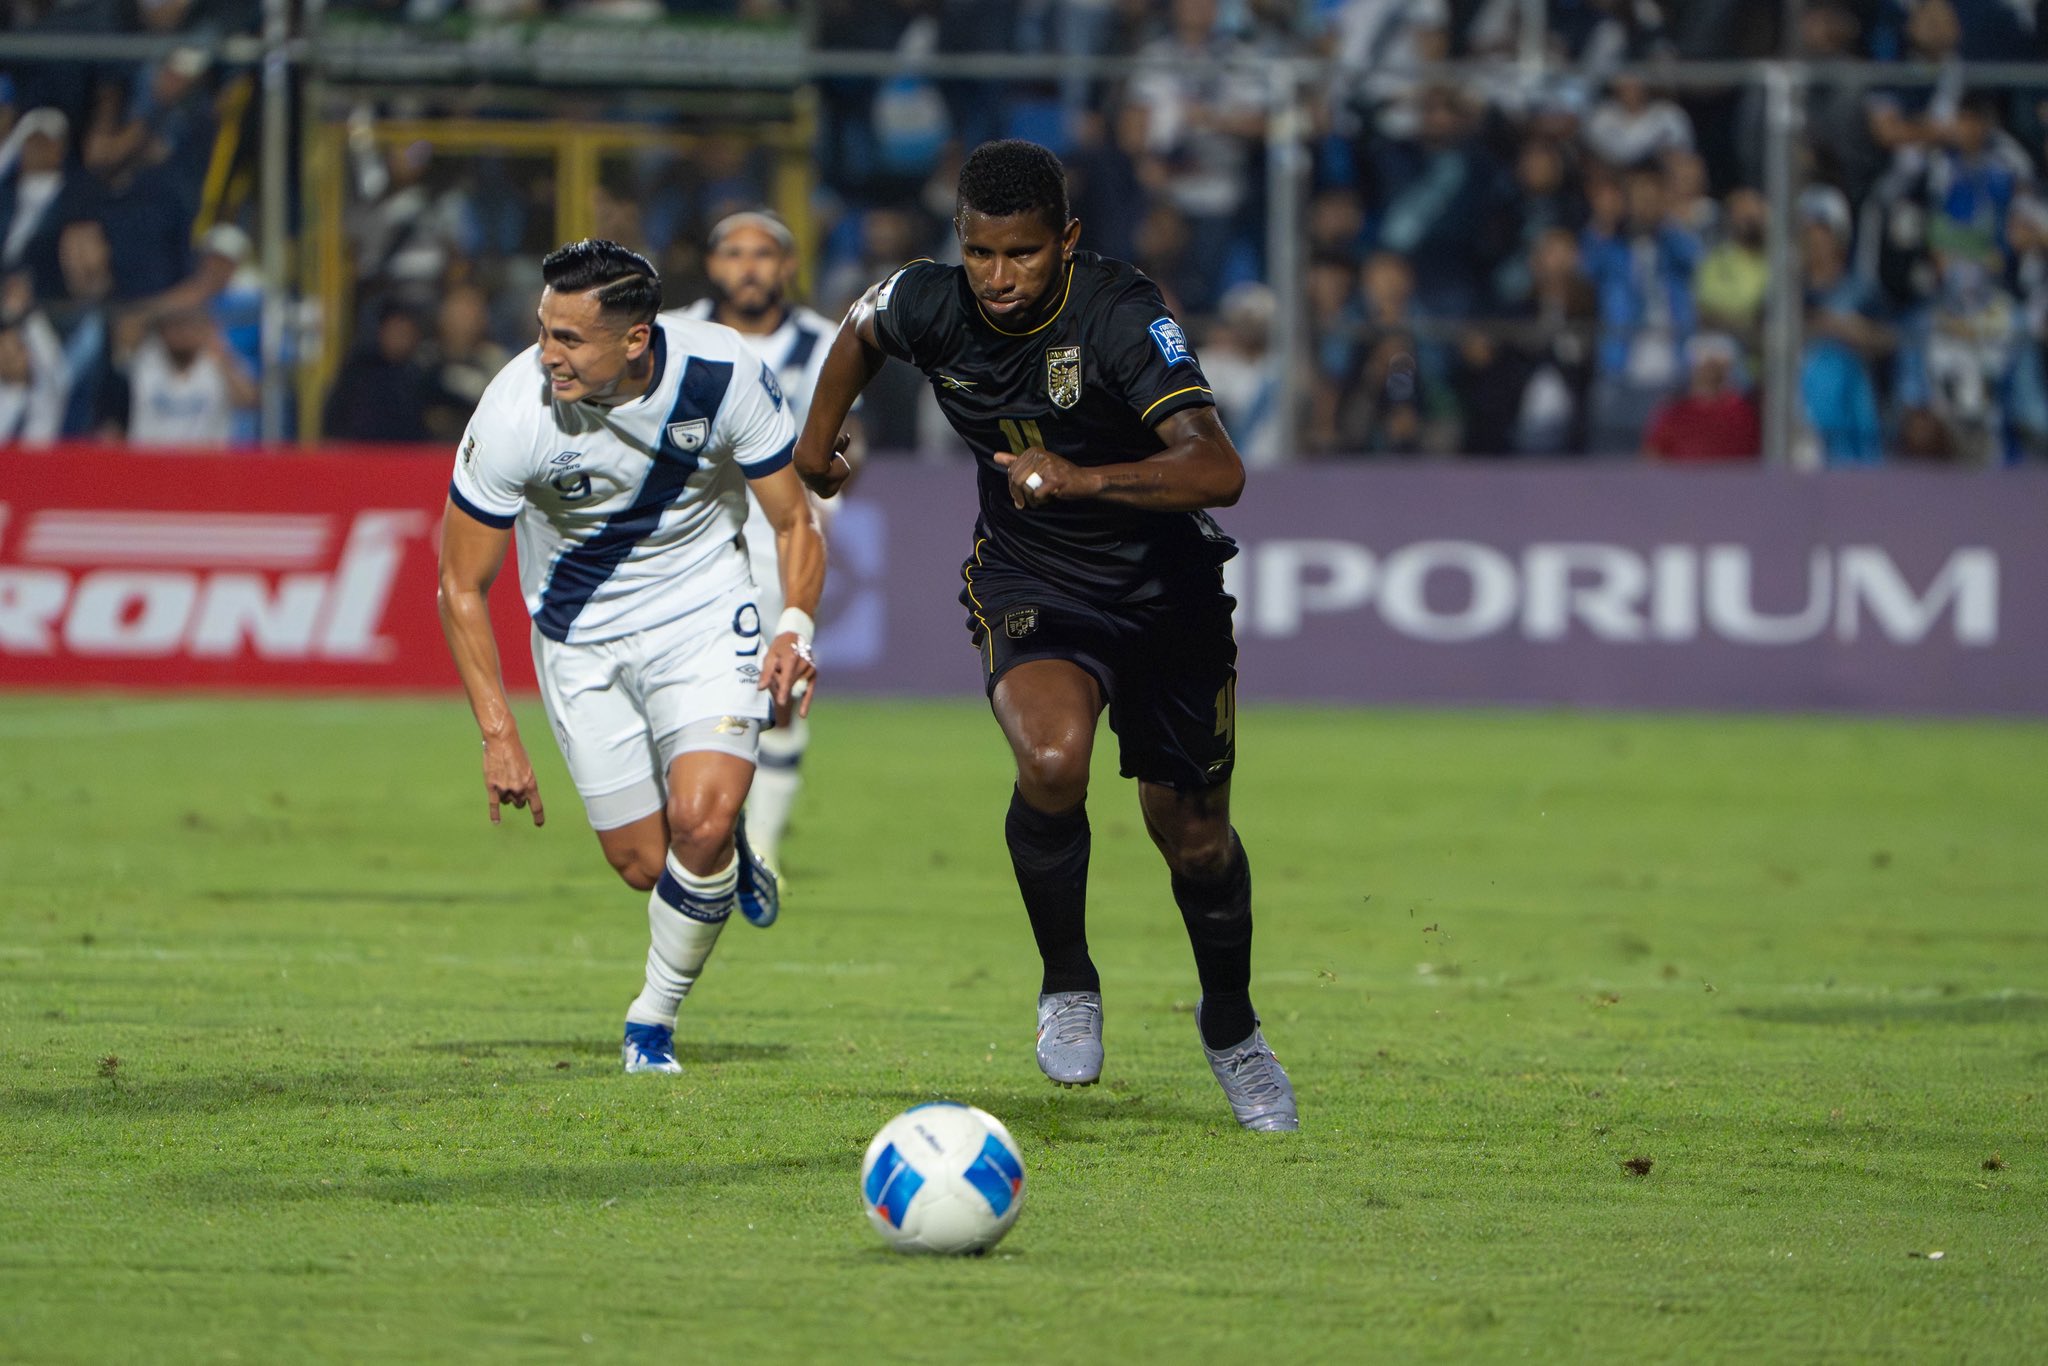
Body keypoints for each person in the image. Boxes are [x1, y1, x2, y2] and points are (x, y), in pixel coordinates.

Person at [793, 139, 1297, 1133]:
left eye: (1021, 253)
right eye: (980, 253)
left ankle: (1232, 1027)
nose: (998, 276)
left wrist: (1082, 477)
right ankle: (1067, 980)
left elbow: (1218, 470)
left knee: (1194, 840)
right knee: (1054, 760)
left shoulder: (1120, 316)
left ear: (1064, 240)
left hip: (1166, 593)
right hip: (1033, 578)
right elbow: (859, 326)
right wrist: (815, 447)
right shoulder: (933, 301)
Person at [436, 239, 824, 1076]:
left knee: (699, 825)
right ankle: (723, 856)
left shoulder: (721, 373)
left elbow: (795, 521)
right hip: (580, 639)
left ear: (636, 338)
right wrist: (498, 734)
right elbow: (459, 585)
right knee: (646, 865)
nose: (548, 354)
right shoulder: (513, 412)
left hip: (705, 613)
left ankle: (652, 1020)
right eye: (544, 331)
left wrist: (794, 623)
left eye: (570, 339)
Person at [672, 209, 865, 874]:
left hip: (780, 532)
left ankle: (760, 851)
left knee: (777, 692)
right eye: (733, 253)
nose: (748, 267)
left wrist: (832, 484)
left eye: (762, 254)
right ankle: (698, 827)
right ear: (712, 264)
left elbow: (851, 440)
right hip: (687, 532)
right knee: (681, 687)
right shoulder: (676, 333)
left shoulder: (825, 342)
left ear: (787, 265)